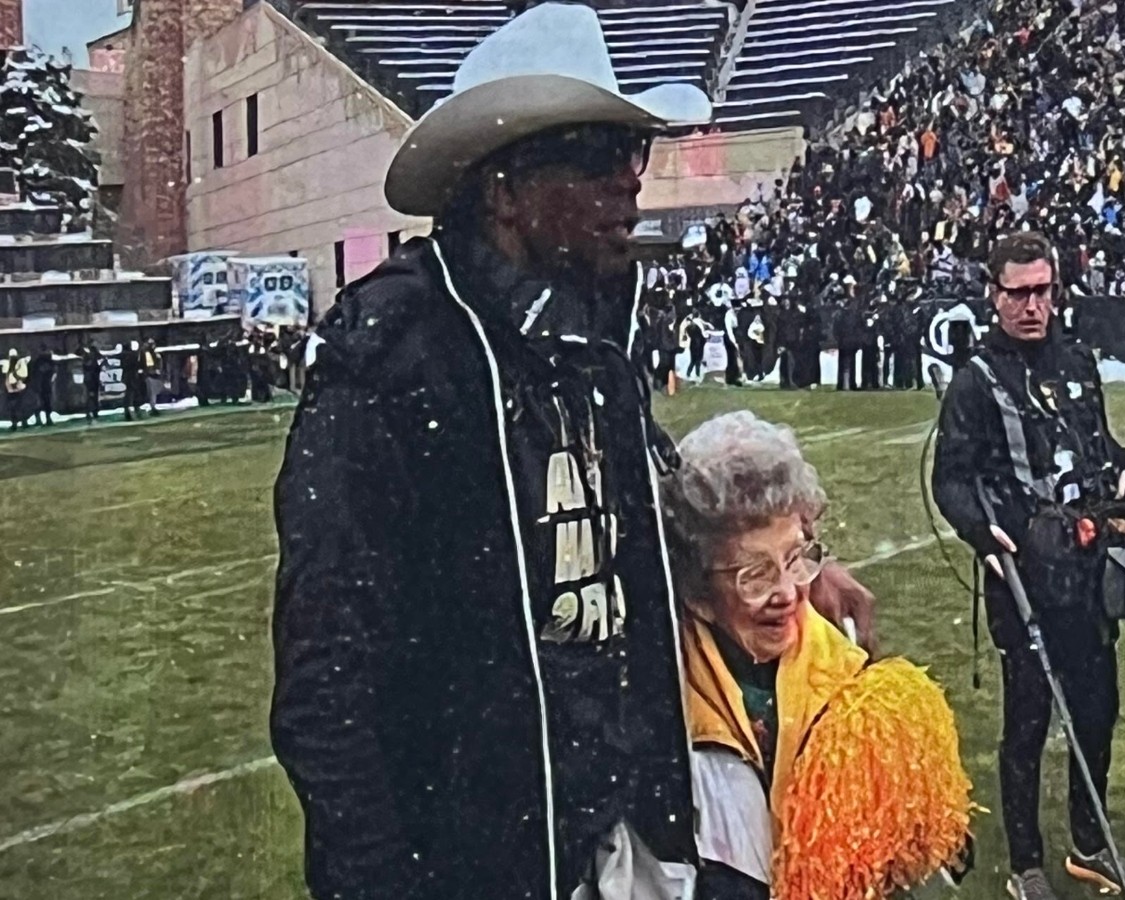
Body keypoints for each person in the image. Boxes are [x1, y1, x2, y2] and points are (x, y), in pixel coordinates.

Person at [271, 7, 876, 898]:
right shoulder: (396, 356)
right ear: (503, 190)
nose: (630, 184)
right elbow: (327, 679)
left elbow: (631, 517)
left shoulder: (590, 334)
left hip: (621, 825)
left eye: (633, 155)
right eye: (598, 157)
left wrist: (766, 567)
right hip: (477, 855)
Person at [932, 232, 1125, 900]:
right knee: (1028, 718)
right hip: (1022, 579)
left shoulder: (1078, 361)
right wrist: (987, 536)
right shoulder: (976, 379)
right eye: (1018, 292)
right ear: (993, 295)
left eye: (1042, 291)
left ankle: (1090, 846)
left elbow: (1100, 446)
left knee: (1097, 709)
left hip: (1089, 571)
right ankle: (1025, 862)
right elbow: (951, 478)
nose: (1032, 305)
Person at [664, 411, 969, 898]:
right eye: (754, 574)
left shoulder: (854, 693)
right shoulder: (659, 709)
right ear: (696, 593)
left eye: (795, 559)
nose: (787, 592)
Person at [28, 346, 55, 426]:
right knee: (46, 403)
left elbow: (33, 374)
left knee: (38, 403)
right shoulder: (49, 362)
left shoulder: (36, 362)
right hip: (45, 386)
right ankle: (47, 419)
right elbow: (52, 373)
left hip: (39, 386)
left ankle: (39, 419)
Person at [3, 348, 28, 430]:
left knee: (17, 407)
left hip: (15, 389)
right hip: (15, 389)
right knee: (17, 406)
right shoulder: (14, 363)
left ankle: (19, 423)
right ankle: (20, 423)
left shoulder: (16, 363)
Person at [79, 340, 103, 421]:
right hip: (90, 378)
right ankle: (89, 412)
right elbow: (86, 364)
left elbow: (100, 359)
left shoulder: (94, 352)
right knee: (90, 395)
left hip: (94, 377)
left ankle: (94, 411)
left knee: (94, 395)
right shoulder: (86, 354)